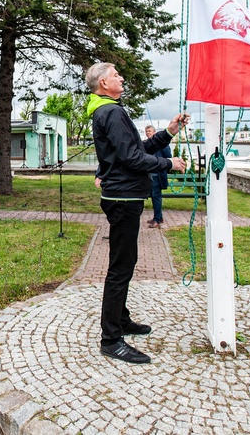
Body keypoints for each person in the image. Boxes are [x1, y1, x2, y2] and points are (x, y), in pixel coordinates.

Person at [86, 62, 187, 364]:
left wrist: (168, 132)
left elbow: (136, 147)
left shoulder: (107, 109)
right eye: (116, 75)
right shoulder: (111, 112)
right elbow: (132, 158)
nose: (122, 77)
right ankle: (111, 339)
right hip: (123, 196)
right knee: (120, 267)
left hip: (123, 194)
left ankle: (122, 319)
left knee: (126, 262)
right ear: (103, 83)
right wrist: (169, 164)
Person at [144, 125, 172, 229]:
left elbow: (168, 157)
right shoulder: (147, 145)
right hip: (150, 174)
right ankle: (157, 217)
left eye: (149, 131)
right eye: (146, 131)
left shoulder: (162, 145)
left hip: (158, 175)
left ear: (154, 132)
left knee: (156, 196)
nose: (148, 133)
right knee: (153, 196)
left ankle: (157, 219)